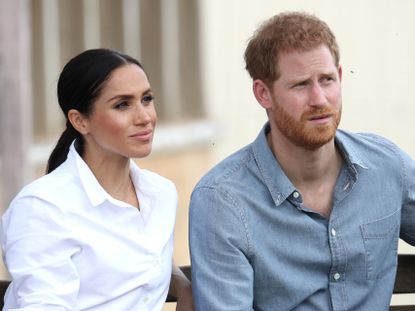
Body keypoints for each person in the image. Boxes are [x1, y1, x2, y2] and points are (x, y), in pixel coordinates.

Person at [189, 11, 415, 310]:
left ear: (341, 76)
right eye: (300, 85)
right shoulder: (222, 201)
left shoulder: (387, 167)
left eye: (327, 80)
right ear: (263, 93)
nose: (319, 98)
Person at [1, 48, 193, 310]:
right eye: (122, 104)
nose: (145, 117)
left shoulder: (160, 193)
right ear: (80, 121)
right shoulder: (42, 208)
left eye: (146, 99)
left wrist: (183, 285)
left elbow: (143, 257)